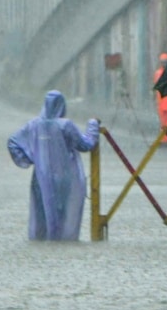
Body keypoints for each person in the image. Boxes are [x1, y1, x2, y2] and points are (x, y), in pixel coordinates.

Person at [7, 91, 100, 241]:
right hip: (65, 178)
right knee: (63, 214)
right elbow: (86, 144)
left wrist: (30, 158)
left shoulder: (33, 125)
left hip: (41, 179)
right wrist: (93, 125)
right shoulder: (66, 125)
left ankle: (44, 242)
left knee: (42, 213)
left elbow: (13, 142)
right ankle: (60, 243)